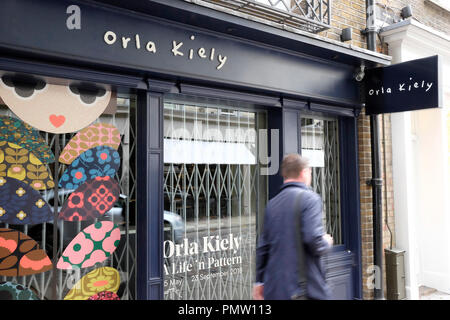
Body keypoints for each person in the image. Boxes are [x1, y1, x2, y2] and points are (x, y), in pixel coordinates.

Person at [253, 153, 333, 300]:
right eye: (309, 171)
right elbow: (315, 242)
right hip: (303, 290)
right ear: (303, 172)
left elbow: (262, 248)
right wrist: (327, 241)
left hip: (275, 290)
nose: (310, 175)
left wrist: (259, 282)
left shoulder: (272, 204)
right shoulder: (310, 199)